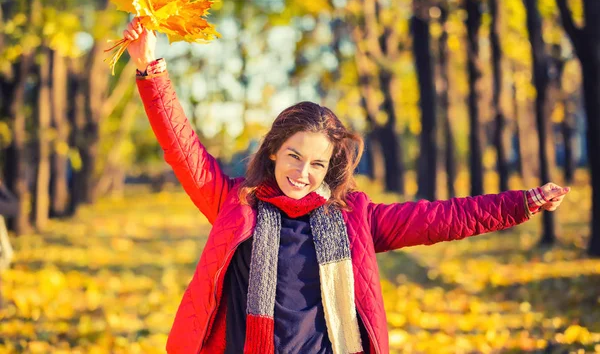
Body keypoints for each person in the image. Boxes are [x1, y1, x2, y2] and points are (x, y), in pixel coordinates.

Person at [123, 17, 570, 354]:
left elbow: (444, 219)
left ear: (330, 166)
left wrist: (523, 203)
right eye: (294, 156)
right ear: (274, 150)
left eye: (317, 163)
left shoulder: (355, 216)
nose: (303, 173)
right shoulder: (237, 203)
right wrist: (151, 70)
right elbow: (183, 148)